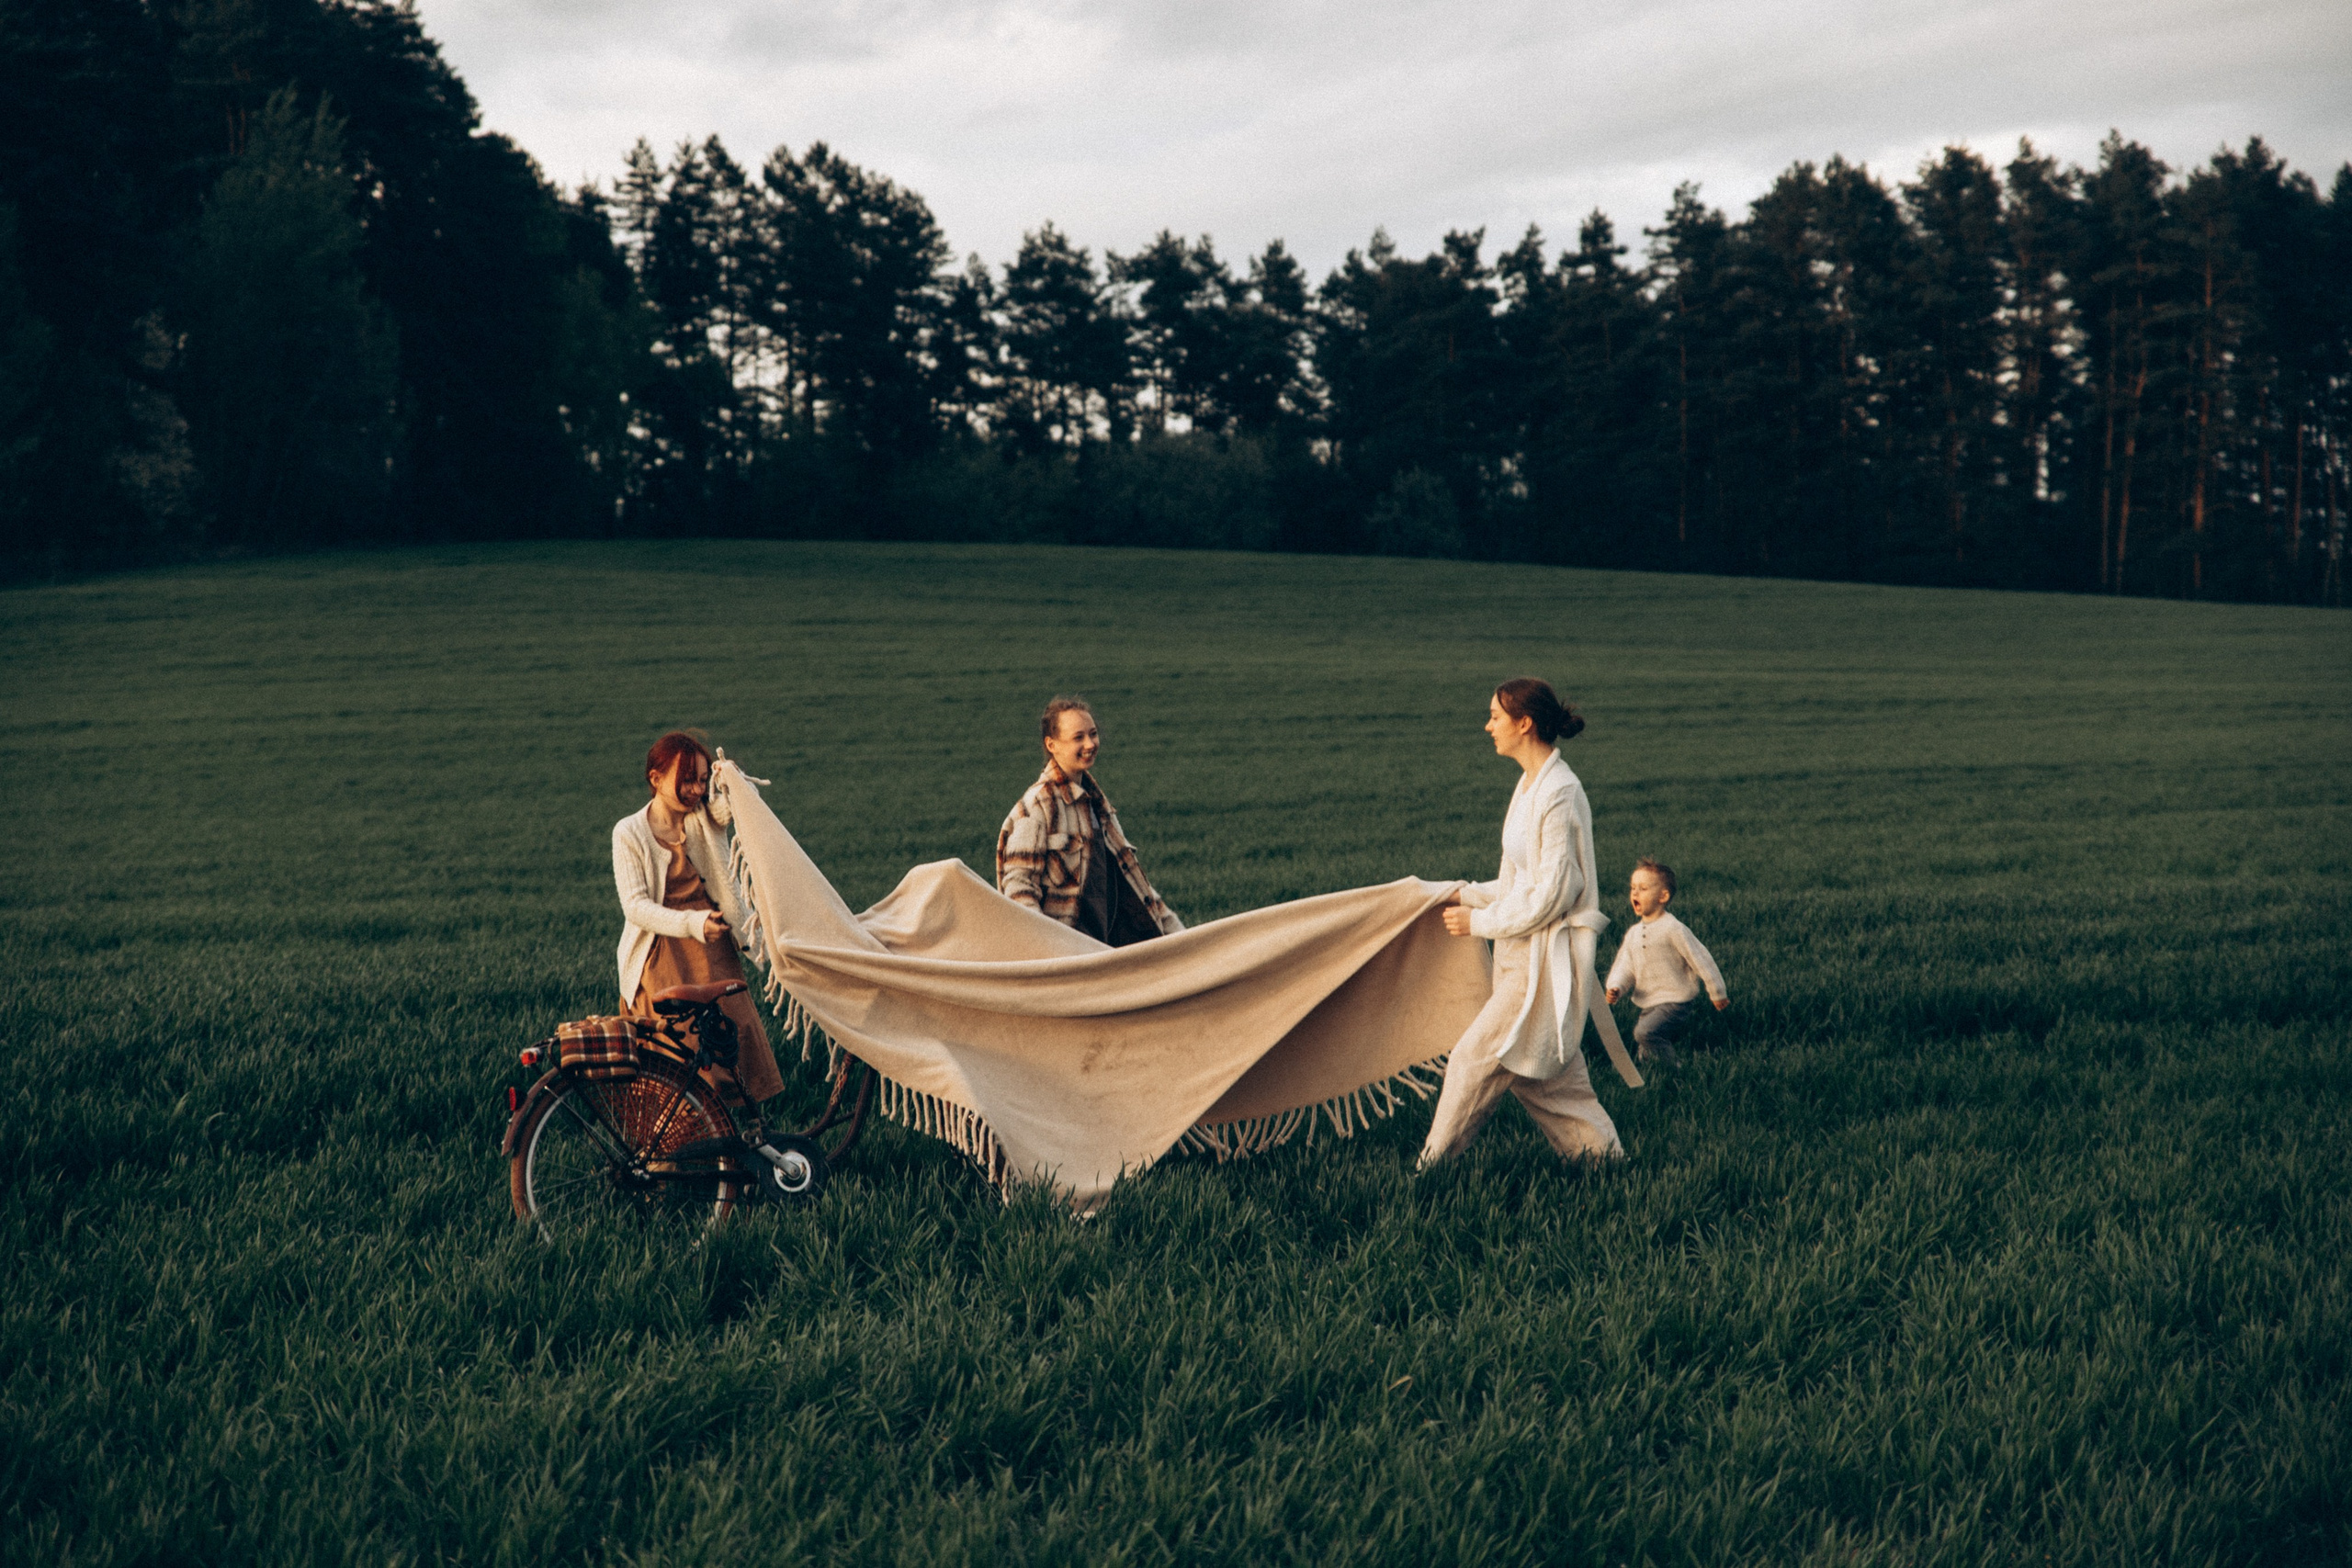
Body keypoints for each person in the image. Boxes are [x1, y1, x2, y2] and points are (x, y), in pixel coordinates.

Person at [1419, 678, 1627, 1168]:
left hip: (1543, 966)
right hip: (1520, 957)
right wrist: (1463, 893)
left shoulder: (1560, 792)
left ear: (1524, 723)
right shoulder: (1530, 784)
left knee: (1472, 1061)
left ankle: (1430, 1170)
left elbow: (1554, 893)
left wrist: (1479, 922)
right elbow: (1517, 881)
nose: (1488, 726)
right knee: (1547, 1081)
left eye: (1495, 716)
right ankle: (1606, 1165)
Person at [611, 731, 785, 1106]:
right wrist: (694, 924)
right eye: (687, 779)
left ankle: (725, 1137)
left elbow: (736, 808)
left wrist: (731, 781)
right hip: (662, 956)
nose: (696, 790)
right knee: (678, 1059)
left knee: (730, 1045)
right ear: (656, 778)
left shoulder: (703, 817)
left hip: (713, 951)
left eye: (702, 780)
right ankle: (679, 1142)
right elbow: (636, 906)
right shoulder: (630, 832)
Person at [995, 696, 1183, 947]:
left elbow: (1136, 884)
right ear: (1052, 744)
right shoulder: (1038, 806)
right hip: (1067, 954)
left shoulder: (1098, 805)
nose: (1090, 744)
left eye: (1093, 734)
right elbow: (1019, 889)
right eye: (1078, 737)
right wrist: (1048, 949)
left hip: (1104, 950)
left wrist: (1183, 938)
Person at [1603, 858, 1728, 1068]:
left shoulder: (1673, 929)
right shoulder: (1633, 933)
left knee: (1645, 1033)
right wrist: (1616, 987)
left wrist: (1717, 992)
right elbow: (1625, 965)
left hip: (1675, 999)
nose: (1635, 893)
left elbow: (1701, 960)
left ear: (1663, 896)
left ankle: (1674, 1068)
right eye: (1633, 888)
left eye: (1643, 889)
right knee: (1646, 1044)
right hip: (1649, 1001)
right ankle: (1649, 1071)